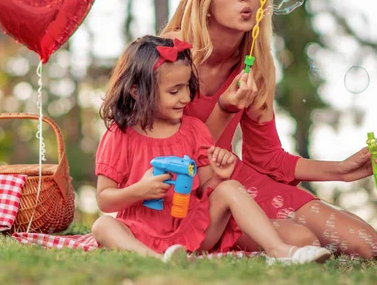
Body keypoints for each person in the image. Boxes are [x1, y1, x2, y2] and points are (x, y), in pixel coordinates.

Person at [161, 0, 377, 259]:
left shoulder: (257, 65)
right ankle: (253, 234)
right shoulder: (168, 54)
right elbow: (164, 152)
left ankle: (260, 230)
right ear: (205, 0)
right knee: (302, 239)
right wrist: (224, 109)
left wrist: (341, 170)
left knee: (366, 244)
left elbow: (267, 157)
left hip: (232, 178)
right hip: (182, 190)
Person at [90, 35, 332, 264]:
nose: (185, 97)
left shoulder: (194, 130)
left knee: (231, 187)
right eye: (174, 91)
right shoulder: (119, 136)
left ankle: (279, 250)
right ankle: (158, 261)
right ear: (136, 92)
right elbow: (105, 199)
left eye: (186, 87)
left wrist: (220, 176)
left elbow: (206, 187)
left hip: (192, 232)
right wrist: (139, 191)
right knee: (102, 226)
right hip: (140, 232)